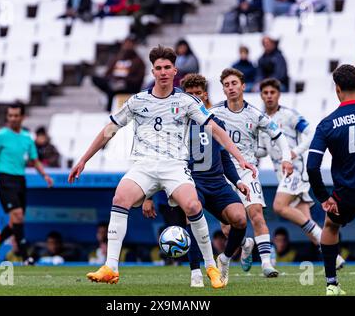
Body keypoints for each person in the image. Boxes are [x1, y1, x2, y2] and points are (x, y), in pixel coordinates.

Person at [69, 45, 256, 288]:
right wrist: (84, 160)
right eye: (159, 68)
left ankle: (210, 266)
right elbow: (109, 131)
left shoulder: (187, 101)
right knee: (120, 198)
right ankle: (110, 267)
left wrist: (240, 158)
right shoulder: (137, 101)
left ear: (174, 70)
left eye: (167, 67)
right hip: (144, 165)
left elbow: (216, 129)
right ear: (153, 71)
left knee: (192, 204)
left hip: (174, 166)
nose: (163, 72)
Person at [143, 73, 251, 287]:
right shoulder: (173, 125)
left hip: (217, 182)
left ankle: (225, 258)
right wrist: (147, 196)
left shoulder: (215, 122)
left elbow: (224, 157)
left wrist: (237, 181)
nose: (194, 98)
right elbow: (157, 161)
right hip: (190, 182)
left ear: (205, 96)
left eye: (198, 94)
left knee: (240, 219)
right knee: (191, 219)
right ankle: (195, 273)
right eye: (189, 94)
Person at [307, 64, 355, 295]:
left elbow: (312, 166)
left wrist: (323, 197)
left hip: (346, 191)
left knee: (331, 225)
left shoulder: (327, 124)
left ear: (337, 89)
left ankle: (331, 284)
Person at [211, 68, 294, 278]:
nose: (230, 88)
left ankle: (266, 263)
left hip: (248, 170)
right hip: (223, 172)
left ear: (243, 86)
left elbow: (278, 135)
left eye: (234, 84)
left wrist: (286, 157)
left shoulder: (255, 114)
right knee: (228, 228)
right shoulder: (215, 112)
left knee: (256, 213)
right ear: (223, 89)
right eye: (226, 85)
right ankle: (246, 243)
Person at [256, 78, 345, 269]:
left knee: (279, 206)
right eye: (265, 93)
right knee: (308, 225)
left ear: (278, 94)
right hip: (282, 176)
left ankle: (333, 255)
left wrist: (296, 151)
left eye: (272, 92)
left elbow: (311, 133)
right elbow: (263, 150)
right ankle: (335, 258)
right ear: (262, 95)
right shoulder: (262, 121)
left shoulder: (289, 115)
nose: (269, 96)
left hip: (295, 171)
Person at [0, 102, 54, 266]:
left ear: (22, 117)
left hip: (20, 180)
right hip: (5, 179)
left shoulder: (27, 138)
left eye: (16, 115)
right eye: (10, 116)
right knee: (18, 215)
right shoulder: (1, 136)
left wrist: (45, 176)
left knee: (14, 222)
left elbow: (35, 160)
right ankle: (24, 256)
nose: (13, 119)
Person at [92, 36, 146, 112]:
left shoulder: (138, 61)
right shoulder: (117, 58)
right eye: (126, 44)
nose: (127, 46)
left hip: (128, 85)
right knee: (96, 79)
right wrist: (113, 79)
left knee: (113, 90)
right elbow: (107, 73)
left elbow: (139, 78)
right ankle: (112, 87)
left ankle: (109, 111)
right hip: (113, 82)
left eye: (129, 44)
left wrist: (124, 80)